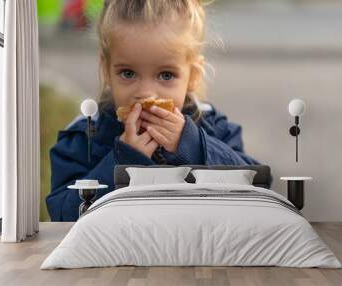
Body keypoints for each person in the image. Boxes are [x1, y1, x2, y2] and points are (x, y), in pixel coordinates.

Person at [46, 0, 268, 222]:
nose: (145, 93)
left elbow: (259, 190)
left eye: (166, 75)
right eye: (128, 73)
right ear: (106, 70)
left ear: (192, 76)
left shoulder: (215, 128)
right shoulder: (85, 138)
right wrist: (122, 161)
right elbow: (63, 215)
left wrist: (193, 146)